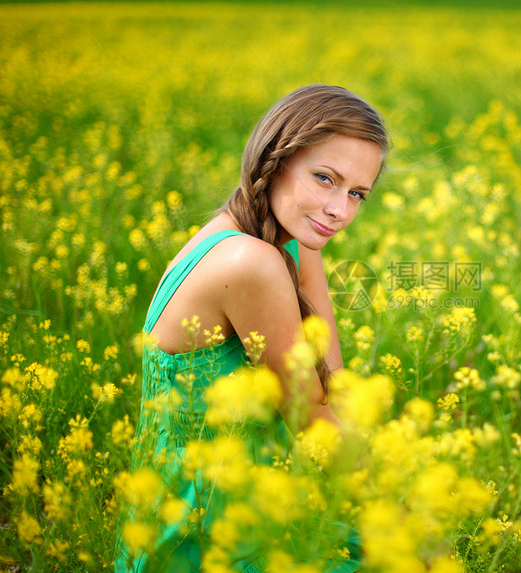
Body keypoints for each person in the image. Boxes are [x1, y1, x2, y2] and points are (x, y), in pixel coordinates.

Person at [114, 84, 389, 572]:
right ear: (273, 159)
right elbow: (317, 427)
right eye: (324, 178)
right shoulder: (249, 262)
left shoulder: (291, 241)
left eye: (356, 194)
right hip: (205, 535)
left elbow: (333, 386)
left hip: (256, 500)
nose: (340, 211)